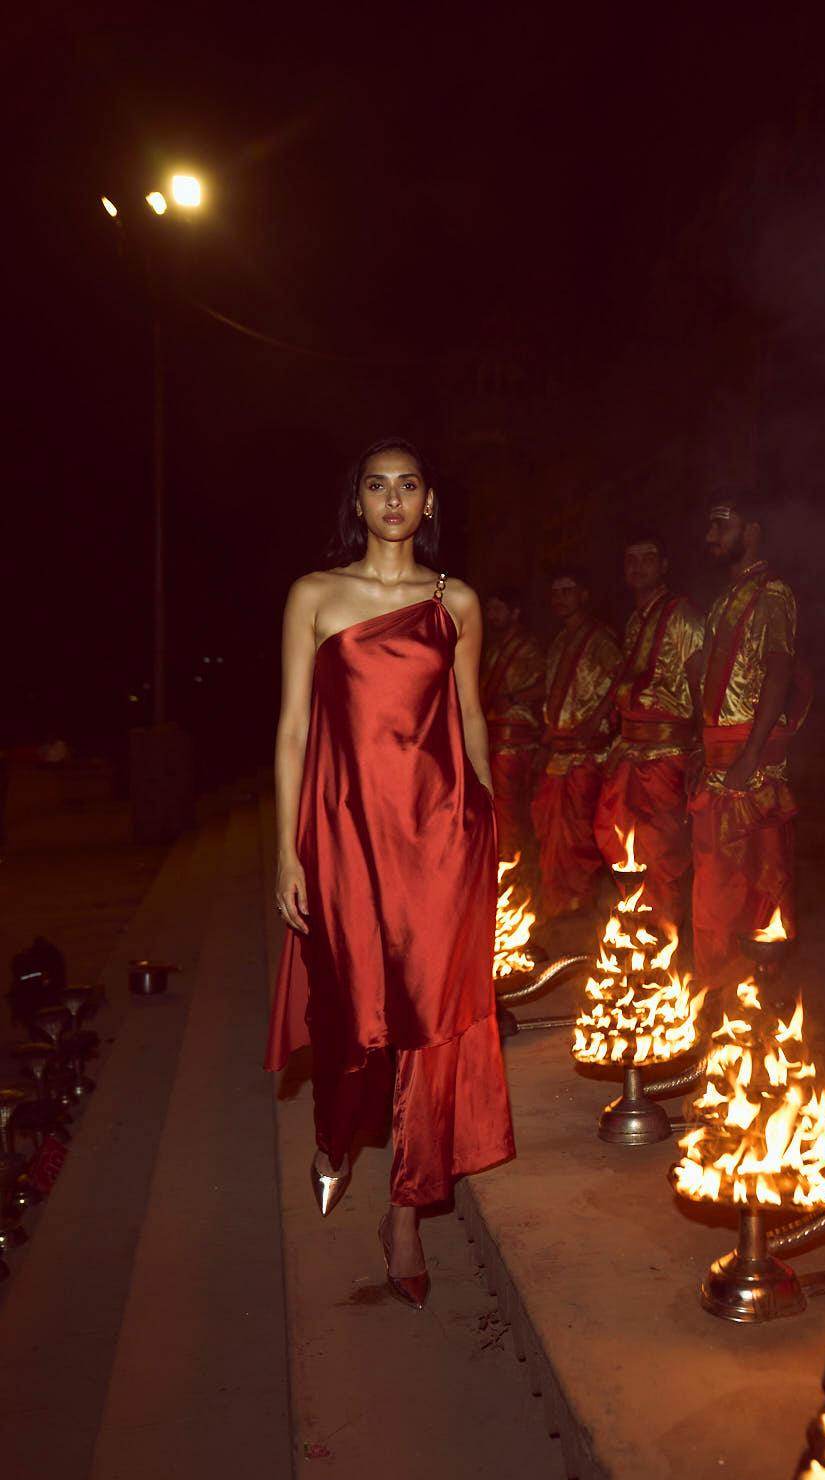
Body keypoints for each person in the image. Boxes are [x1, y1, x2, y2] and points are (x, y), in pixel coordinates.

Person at [264, 437, 514, 1310]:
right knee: (347, 1014)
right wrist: (287, 849)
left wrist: (489, 820)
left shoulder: (456, 602)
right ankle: (334, 1136)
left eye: (409, 485)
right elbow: (293, 728)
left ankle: (404, 1215)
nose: (394, 499)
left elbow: (470, 715)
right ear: (359, 502)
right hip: (343, 836)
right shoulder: (314, 594)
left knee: (428, 1022)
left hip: (442, 838)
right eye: (377, 486)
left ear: (429, 501)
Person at [691, 489, 809, 987]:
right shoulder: (726, 597)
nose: (711, 536)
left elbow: (780, 673)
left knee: (755, 885)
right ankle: (717, 992)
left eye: (722, 525)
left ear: (753, 531)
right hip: (718, 759)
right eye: (711, 526)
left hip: (750, 765)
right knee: (714, 887)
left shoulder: (772, 592)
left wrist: (751, 755)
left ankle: (755, 998)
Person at [593, 531, 704, 930]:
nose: (638, 567)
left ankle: (663, 935)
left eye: (647, 559)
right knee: (617, 838)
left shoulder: (683, 616)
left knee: (660, 848)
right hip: (629, 749)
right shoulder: (635, 620)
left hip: (665, 754)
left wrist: (702, 744)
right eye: (631, 560)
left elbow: (700, 681)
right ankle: (633, 925)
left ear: (664, 566)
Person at [531, 569, 621, 921]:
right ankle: (557, 904)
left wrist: (596, 718)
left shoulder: (600, 638)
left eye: (568, 591)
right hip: (558, 751)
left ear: (584, 595)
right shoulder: (558, 641)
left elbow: (620, 678)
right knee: (549, 830)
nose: (561, 598)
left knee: (579, 832)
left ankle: (580, 906)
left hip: (586, 754)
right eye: (556, 592)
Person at [480, 585, 546, 864]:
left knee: (512, 808)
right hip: (493, 739)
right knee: (495, 806)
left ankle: (514, 866)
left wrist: (514, 697)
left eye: (498, 609)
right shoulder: (492, 648)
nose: (491, 615)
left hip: (516, 742)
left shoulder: (529, 647)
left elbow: (548, 685)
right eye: (489, 609)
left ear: (515, 613)